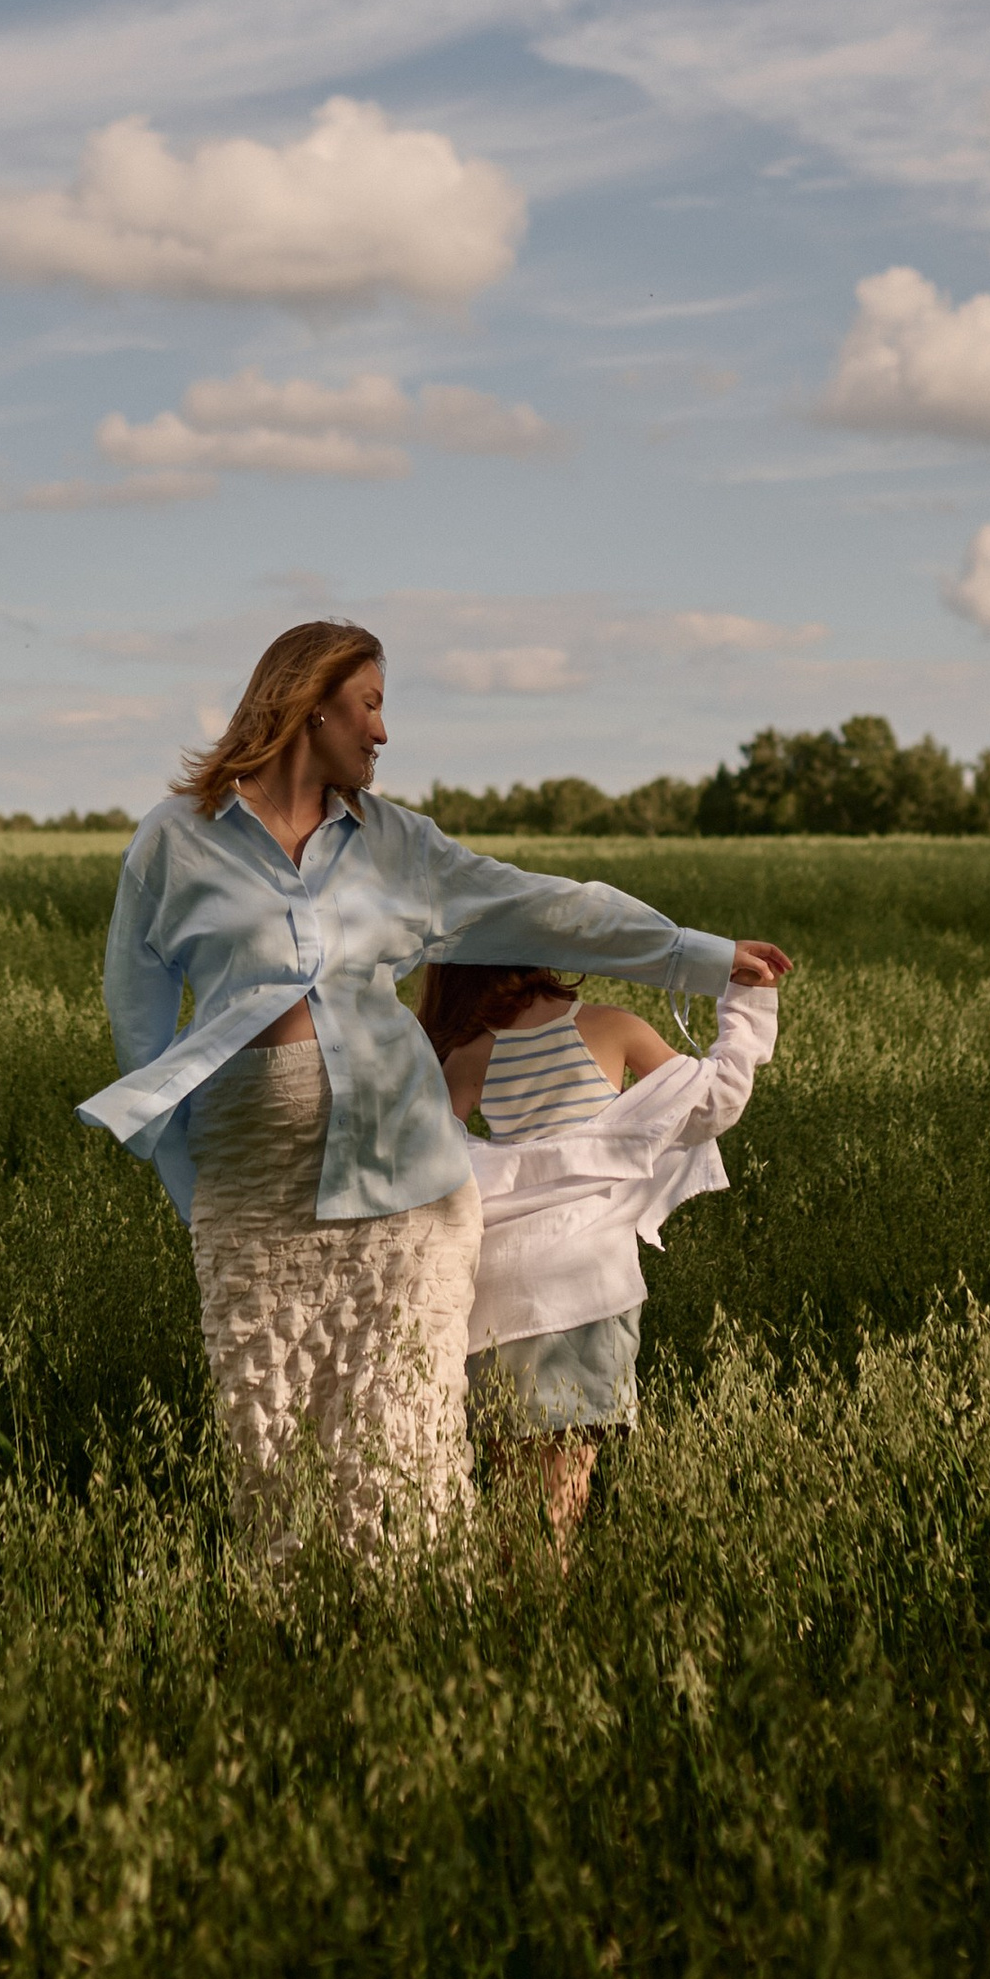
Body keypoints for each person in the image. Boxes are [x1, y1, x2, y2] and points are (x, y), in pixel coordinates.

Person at [79, 620, 790, 1555]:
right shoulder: (176, 842)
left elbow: (547, 907)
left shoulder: (397, 847)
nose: (383, 734)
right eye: (370, 706)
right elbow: (138, 1027)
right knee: (273, 1437)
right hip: (254, 1191)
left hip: (405, 1178)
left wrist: (701, 958)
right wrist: (194, 1177)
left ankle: (417, 1637)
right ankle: (300, 1647)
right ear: (312, 704)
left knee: (403, 1427)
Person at [423, 957, 779, 1551]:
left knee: (513, 1493)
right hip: (581, 1289)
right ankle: (545, 1630)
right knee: (560, 1496)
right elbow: (715, 1103)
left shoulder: (467, 1056)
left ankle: (507, 1626)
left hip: (492, 1301)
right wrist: (746, 1003)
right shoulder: (611, 1027)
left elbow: (433, 1164)